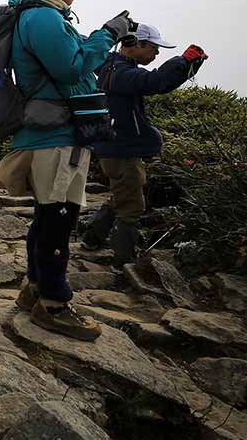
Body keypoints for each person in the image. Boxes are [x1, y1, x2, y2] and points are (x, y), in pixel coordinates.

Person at [0, 0, 134, 341]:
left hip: (55, 134)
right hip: (56, 136)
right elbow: (72, 68)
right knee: (57, 220)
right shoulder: (43, 18)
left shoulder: (42, 15)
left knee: (49, 216)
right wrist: (107, 34)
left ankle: (35, 289)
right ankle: (54, 304)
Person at [81, 25, 208, 264]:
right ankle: (124, 261)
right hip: (122, 151)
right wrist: (184, 62)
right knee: (132, 207)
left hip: (113, 148)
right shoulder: (121, 73)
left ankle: (92, 239)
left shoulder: (110, 66)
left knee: (121, 196)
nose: (156, 53)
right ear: (134, 44)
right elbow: (156, 81)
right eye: (153, 47)